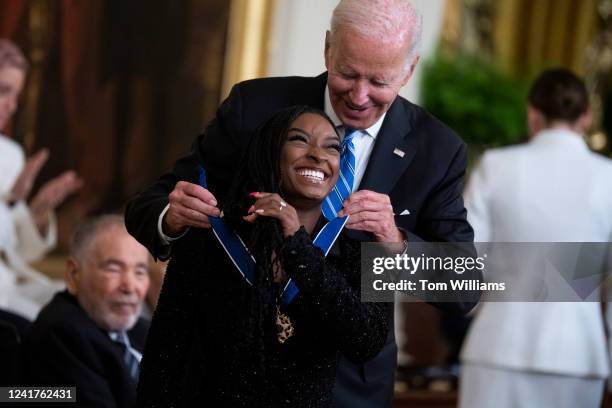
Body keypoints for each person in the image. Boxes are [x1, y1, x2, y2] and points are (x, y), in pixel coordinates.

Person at [126, 1, 477, 406]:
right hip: (229, 378)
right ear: (329, 48)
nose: (360, 96)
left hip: (348, 386)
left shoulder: (437, 150)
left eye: (379, 81)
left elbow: (463, 287)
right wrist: (172, 218)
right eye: (347, 73)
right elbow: (150, 204)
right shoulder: (254, 106)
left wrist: (396, 240)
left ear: (409, 69)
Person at [137, 106, 388, 407]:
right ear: (269, 152)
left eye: (332, 147)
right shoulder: (211, 239)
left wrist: (297, 245)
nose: (318, 155)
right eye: (299, 140)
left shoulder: (357, 249)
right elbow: (164, 357)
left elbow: (365, 342)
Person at [459, 69, 612, 407]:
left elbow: (466, 262)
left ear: (532, 113)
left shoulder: (495, 166)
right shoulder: (608, 179)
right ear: (586, 117)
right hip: (578, 357)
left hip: (497, 345)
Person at [21, 215, 150, 408]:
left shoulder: (142, 328)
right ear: (74, 275)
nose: (130, 286)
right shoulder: (64, 333)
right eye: (113, 269)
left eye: (139, 272)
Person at [0, 38, 83, 320]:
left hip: (10, 285)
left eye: (17, 96)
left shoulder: (10, 154)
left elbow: (19, 253)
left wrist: (37, 211)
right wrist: (10, 203)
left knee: (86, 299)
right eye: (3, 91)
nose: (11, 106)